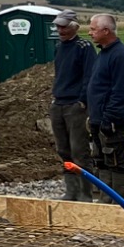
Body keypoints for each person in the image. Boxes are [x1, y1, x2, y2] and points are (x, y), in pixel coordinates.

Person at [86, 12, 124, 195]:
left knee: (116, 161)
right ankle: (105, 202)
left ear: (106, 31)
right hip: (98, 120)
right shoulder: (103, 54)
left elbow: (120, 92)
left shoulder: (120, 56)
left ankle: (120, 203)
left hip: (112, 123)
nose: (89, 33)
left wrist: (109, 120)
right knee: (102, 161)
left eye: (93, 29)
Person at [49, 11, 94, 200]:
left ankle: (85, 193)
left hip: (75, 106)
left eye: (64, 27)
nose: (60, 30)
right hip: (59, 104)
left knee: (79, 151)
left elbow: (89, 76)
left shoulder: (84, 47)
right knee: (64, 150)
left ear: (74, 27)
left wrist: (82, 101)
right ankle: (71, 191)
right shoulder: (59, 47)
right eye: (58, 27)